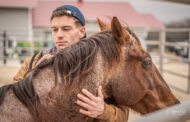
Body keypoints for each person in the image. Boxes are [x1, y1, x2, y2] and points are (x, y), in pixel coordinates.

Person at [13, 5, 128, 122]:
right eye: (54, 29)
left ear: (82, 31)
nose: (59, 35)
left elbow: (124, 115)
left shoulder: (104, 66)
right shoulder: (34, 61)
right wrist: (34, 77)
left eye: (66, 29)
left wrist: (103, 111)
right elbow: (12, 101)